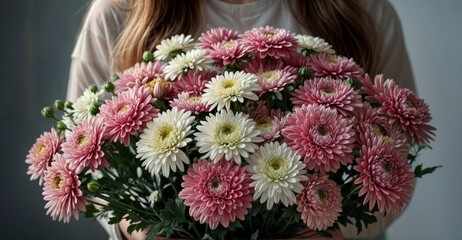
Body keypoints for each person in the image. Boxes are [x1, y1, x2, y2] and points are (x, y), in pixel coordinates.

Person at [66, 0, 416, 239]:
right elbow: (83, 160)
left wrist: (336, 233)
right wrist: (141, 230)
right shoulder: (120, 12)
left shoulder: (358, 9)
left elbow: (398, 154)